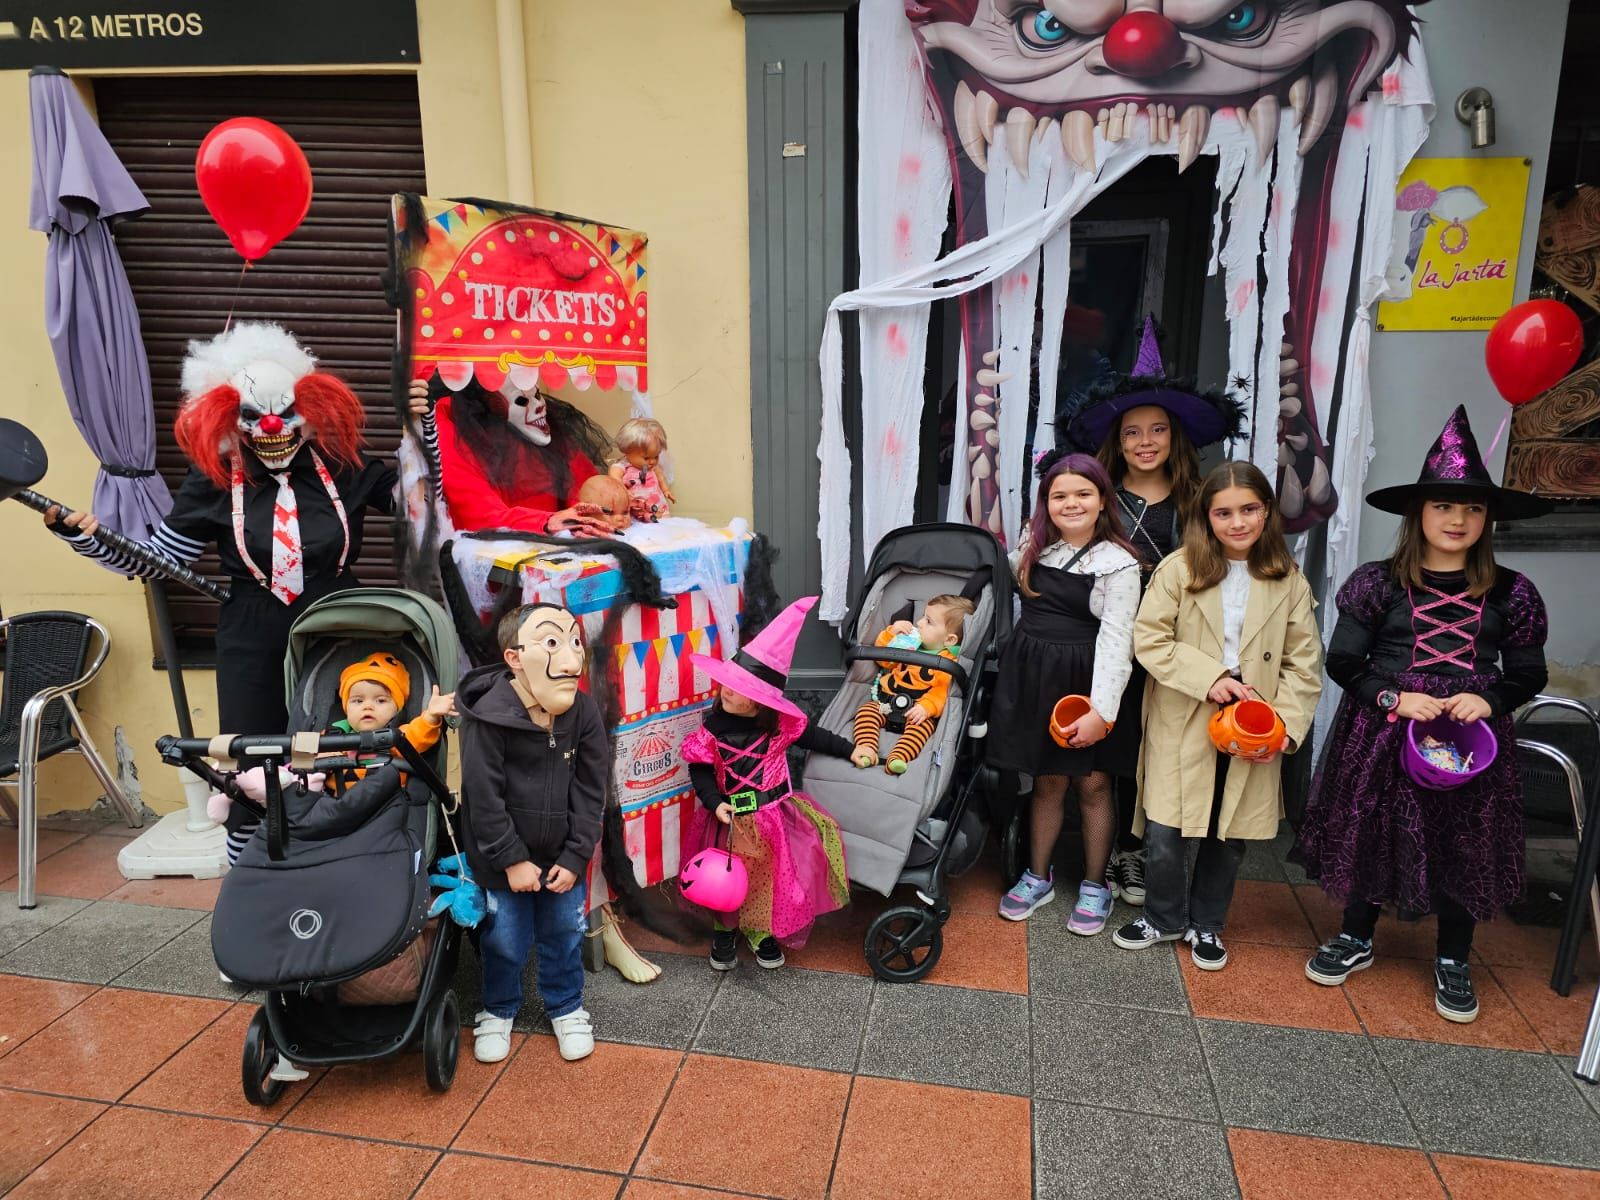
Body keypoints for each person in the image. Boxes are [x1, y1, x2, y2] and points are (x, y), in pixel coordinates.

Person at [1291, 406, 1551, 1023]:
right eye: (1442, 506)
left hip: (1471, 737)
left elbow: (1528, 672)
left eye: (1471, 509)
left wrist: (1489, 699)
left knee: (1464, 835)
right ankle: (1357, 933)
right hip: (1384, 732)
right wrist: (1392, 698)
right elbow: (1345, 661)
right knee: (1372, 827)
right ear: (1418, 515)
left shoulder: (1512, 591)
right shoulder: (1377, 583)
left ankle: (1455, 955)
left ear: (1488, 519)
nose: (1457, 519)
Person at [45, 322, 426, 736]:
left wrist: (422, 428)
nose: (272, 429)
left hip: (336, 619)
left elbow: (420, 505)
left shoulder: (341, 464)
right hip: (250, 629)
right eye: (253, 417)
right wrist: (85, 538)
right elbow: (162, 563)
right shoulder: (214, 479)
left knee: (339, 745)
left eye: (285, 415)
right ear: (229, 417)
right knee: (252, 755)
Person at [1111, 462, 1322, 970]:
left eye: (1249, 509)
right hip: (1185, 712)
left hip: (1255, 720)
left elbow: (1304, 662)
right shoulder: (1179, 570)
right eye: (1223, 512)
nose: (1238, 523)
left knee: (1228, 833)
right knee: (1166, 828)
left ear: (1267, 511)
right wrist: (1210, 678)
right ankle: (1164, 916)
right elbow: (1151, 639)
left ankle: (1207, 923)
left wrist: (1285, 726)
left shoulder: (1286, 579)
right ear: (1206, 517)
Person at [1065, 315, 1245, 909]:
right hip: (1107, 637)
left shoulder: (1199, 501)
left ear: (1175, 437)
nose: (1145, 441)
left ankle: (1144, 850)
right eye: (1133, 431)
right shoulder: (1098, 496)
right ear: (1116, 440)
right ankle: (1109, 847)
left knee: (1160, 746)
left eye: (1158, 430)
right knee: (1116, 744)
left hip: (1173, 644)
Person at [989, 452, 1141, 936]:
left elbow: (1119, 642)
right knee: (1048, 780)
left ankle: (1097, 884)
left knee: (1093, 784)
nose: (1071, 503)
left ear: (1102, 501)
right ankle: (1038, 876)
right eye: (1059, 496)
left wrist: (1102, 712)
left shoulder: (1119, 564)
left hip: (1086, 681)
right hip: (1034, 676)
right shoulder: (1031, 547)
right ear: (1045, 503)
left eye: (1083, 494)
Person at [455, 602, 609, 1063]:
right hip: (504, 860)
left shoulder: (581, 712)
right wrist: (511, 858)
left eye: (574, 642)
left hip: (562, 855)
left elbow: (590, 785)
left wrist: (577, 854)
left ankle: (566, 1006)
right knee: (503, 937)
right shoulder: (488, 717)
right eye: (551, 643)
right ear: (514, 657)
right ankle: (499, 1009)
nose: (571, 658)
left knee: (564, 931)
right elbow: (483, 796)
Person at [680, 596, 854, 969]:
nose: (727, 689)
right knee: (723, 875)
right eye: (727, 680)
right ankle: (724, 931)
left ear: (761, 703)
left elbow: (815, 737)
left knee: (765, 879)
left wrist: (849, 749)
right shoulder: (712, 729)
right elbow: (701, 770)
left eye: (739, 688)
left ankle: (760, 931)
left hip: (772, 819)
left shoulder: (780, 728)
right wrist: (714, 802)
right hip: (727, 818)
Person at [205, 650, 456, 861]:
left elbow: (419, 735)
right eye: (357, 701)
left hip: (383, 813)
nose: (367, 706)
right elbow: (299, 764)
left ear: (396, 709)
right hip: (331, 811)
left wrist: (431, 715)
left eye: (380, 700)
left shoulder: (396, 737)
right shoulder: (329, 736)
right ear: (345, 707)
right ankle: (237, 784)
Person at [427, 375, 615, 537]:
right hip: (502, 555)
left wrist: (608, 506)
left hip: (560, 545)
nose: (539, 407)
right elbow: (481, 516)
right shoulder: (453, 430)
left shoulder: (549, 433)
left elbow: (583, 485)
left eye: (537, 395)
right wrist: (546, 522)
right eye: (522, 401)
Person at [851, 594, 975, 775]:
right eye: (923, 617)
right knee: (866, 712)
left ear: (949, 640)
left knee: (921, 729)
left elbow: (942, 691)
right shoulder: (909, 643)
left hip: (917, 712)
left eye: (928, 621)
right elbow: (884, 661)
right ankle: (866, 748)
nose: (919, 623)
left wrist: (926, 708)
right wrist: (891, 634)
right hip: (886, 703)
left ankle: (898, 758)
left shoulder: (948, 661)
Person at [609, 416, 675, 522]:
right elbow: (614, 477)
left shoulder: (653, 467)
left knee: (664, 525)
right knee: (639, 529)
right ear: (627, 451)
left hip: (658, 505)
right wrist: (623, 491)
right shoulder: (623, 465)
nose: (652, 462)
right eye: (646, 458)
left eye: (656, 456)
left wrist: (666, 490)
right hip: (636, 510)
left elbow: (660, 478)